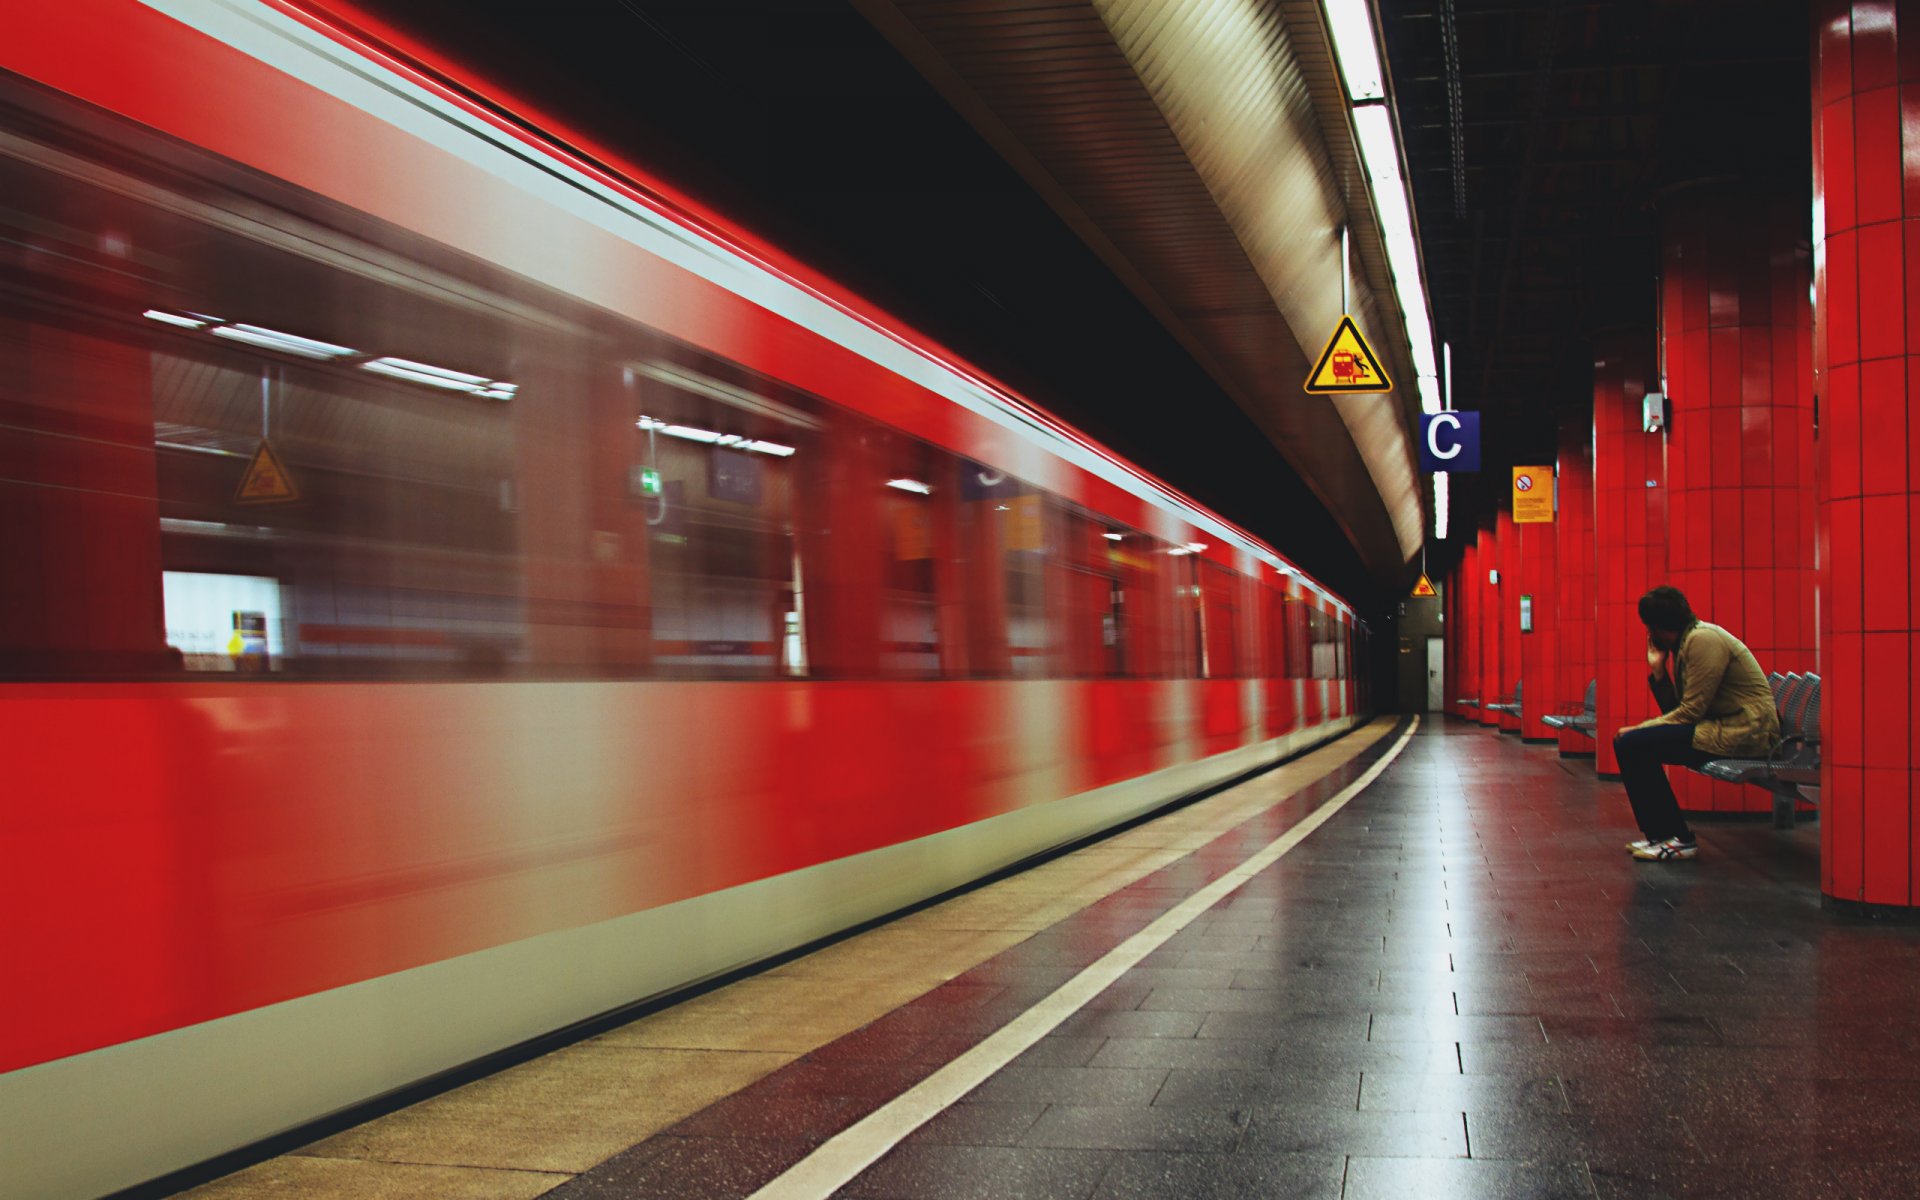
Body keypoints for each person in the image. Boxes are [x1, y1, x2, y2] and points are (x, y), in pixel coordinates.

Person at [1613, 586, 1779, 862]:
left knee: (1633, 743)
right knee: (1633, 745)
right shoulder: (1687, 643)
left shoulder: (1703, 640)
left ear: (1656, 627)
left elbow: (1689, 712)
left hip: (1747, 731)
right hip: (1722, 727)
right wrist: (1658, 671)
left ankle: (1677, 837)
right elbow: (1677, 711)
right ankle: (1662, 836)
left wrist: (1641, 728)